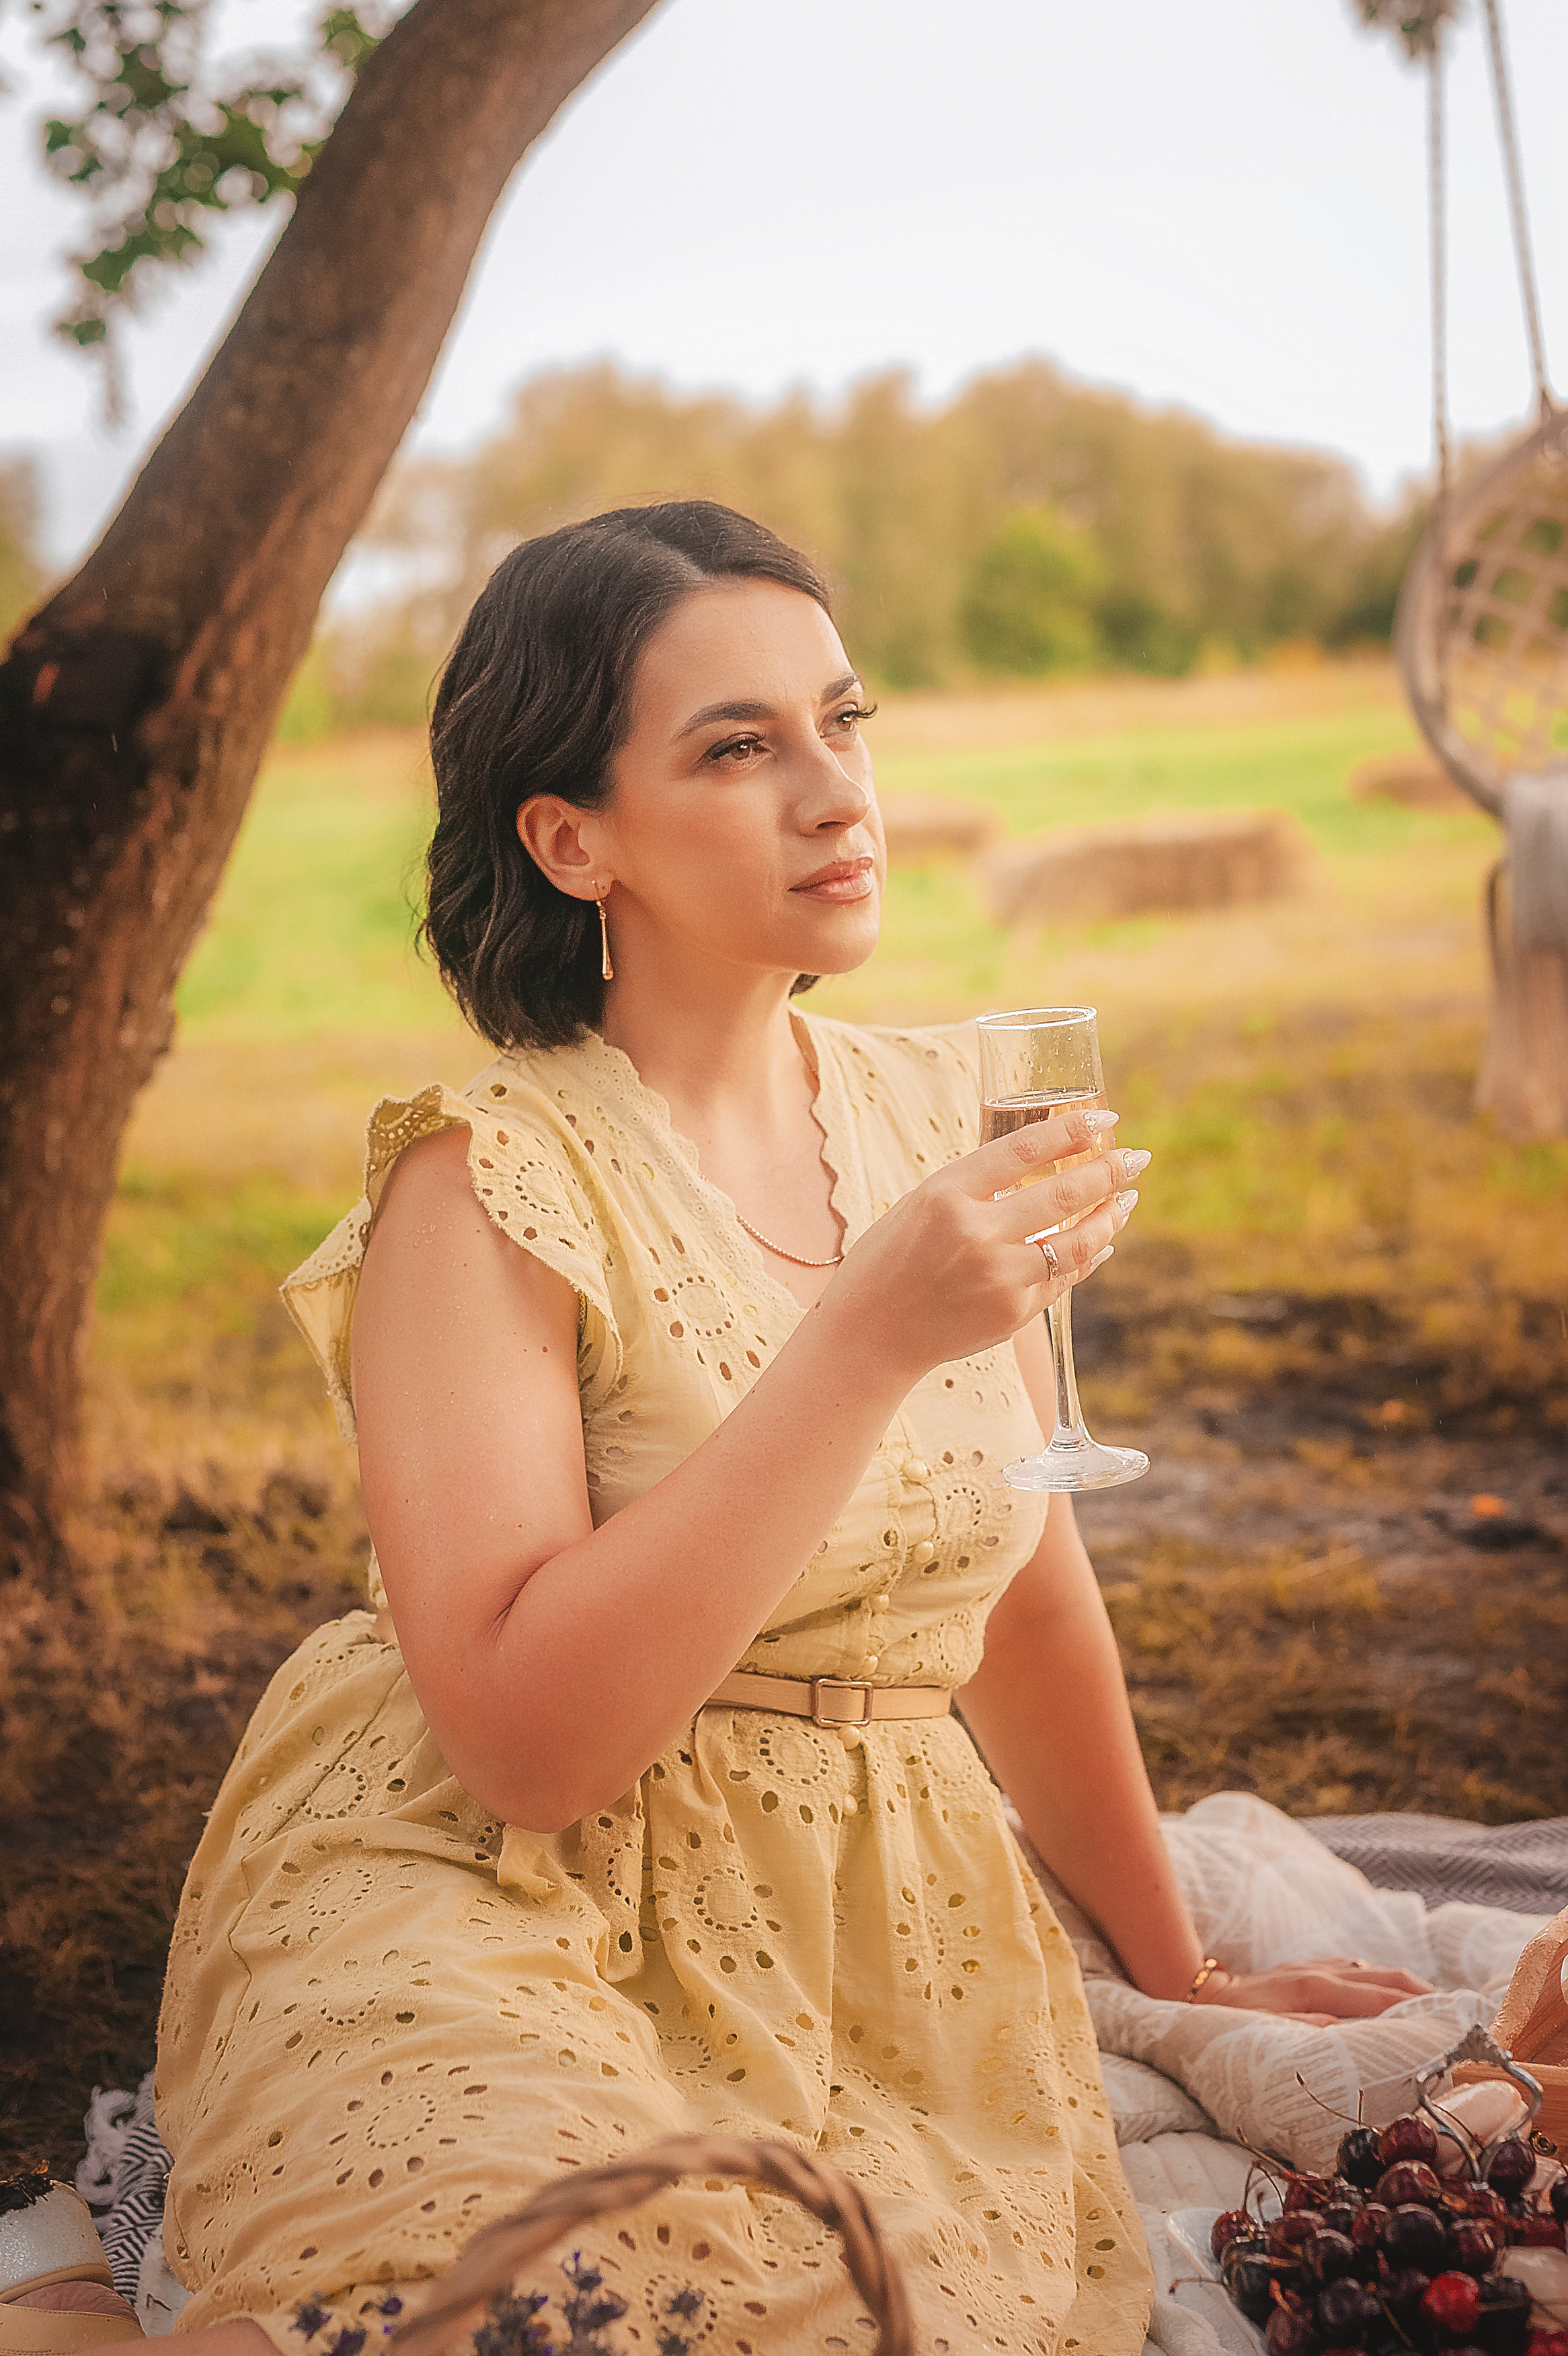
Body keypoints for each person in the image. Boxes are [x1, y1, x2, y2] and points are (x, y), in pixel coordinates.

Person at [7, 502, 1427, 2356]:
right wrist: (861, 1345)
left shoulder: (948, 1115)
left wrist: (1183, 1972)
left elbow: (1019, 1594)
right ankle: (63, 2297)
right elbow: (527, 1749)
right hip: (489, 1889)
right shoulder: (483, 1180)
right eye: (739, 747)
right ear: (570, 838)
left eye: (843, 721)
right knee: (570, 2309)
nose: (837, 795)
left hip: (874, 1933)